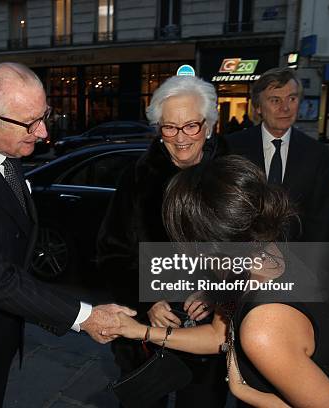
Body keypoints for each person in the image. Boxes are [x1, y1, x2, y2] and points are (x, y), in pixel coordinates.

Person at [0, 62, 135, 408]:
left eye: (44, 115)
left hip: (2, 324)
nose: (44, 132)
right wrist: (84, 316)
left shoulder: (5, 144)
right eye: (31, 123)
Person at [113, 155, 329, 407]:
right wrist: (139, 331)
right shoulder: (265, 250)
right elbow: (218, 335)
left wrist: (247, 393)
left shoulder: (263, 327)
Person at [97, 75, 227, 407]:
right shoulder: (138, 178)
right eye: (170, 127)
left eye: (191, 126)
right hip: (145, 339)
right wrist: (148, 302)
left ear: (209, 125)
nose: (180, 138)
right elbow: (111, 253)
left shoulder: (232, 176)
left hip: (208, 338)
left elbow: (254, 255)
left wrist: (218, 295)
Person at [225, 68, 329, 241]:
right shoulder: (232, 146)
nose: (286, 108)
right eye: (275, 100)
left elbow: (320, 218)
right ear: (258, 107)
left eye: (292, 99)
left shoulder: (316, 153)